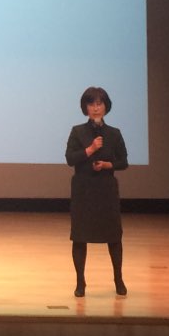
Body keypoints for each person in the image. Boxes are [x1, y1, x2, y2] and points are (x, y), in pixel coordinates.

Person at [66, 85, 128, 297]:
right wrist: (90, 150)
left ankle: (118, 279)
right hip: (84, 190)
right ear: (85, 107)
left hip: (106, 190)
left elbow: (123, 161)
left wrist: (108, 165)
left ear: (106, 107)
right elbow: (70, 159)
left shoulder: (114, 133)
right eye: (91, 104)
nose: (95, 108)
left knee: (114, 236)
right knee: (80, 236)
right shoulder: (77, 131)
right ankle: (80, 282)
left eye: (99, 104)